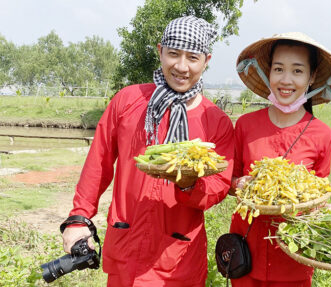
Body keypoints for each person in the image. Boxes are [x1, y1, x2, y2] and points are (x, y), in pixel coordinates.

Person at [61, 16, 234, 286]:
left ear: (206, 60)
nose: (181, 66)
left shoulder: (215, 120)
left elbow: (219, 186)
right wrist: (78, 217)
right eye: (173, 54)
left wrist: (189, 185)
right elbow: (99, 162)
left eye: (192, 58)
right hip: (126, 247)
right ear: (159, 51)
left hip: (178, 259)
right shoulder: (128, 101)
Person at [229, 32, 331, 286]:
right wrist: (240, 185)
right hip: (247, 254)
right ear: (268, 72)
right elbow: (229, 179)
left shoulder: (322, 134)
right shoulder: (245, 125)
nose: (286, 80)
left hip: (294, 259)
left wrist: (328, 212)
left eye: (297, 71)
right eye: (278, 69)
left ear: (312, 76)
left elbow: (319, 192)